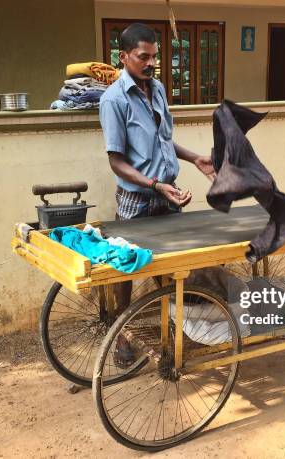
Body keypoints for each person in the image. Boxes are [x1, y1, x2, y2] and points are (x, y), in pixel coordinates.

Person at [99, 23, 214, 365]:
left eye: (155, 57)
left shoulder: (159, 89)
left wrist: (195, 158)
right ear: (124, 57)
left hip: (168, 194)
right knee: (127, 273)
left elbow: (163, 140)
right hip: (136, 199)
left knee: (172, 269)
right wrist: (153, 184)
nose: (150, 63)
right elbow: (116, 161)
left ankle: (173, 334)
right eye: (143, 57)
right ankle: (121, 335)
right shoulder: (113, 100)